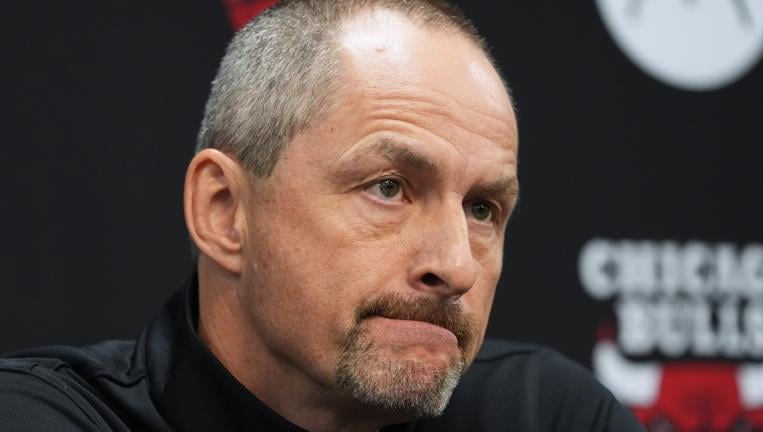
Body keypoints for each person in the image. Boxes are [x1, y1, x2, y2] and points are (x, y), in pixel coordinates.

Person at [0, 1, 643, 430]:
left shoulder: (542, 414)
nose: (456, 266)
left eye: (483, 208)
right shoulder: (38, 416)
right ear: (224, 212)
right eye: (389, 188)